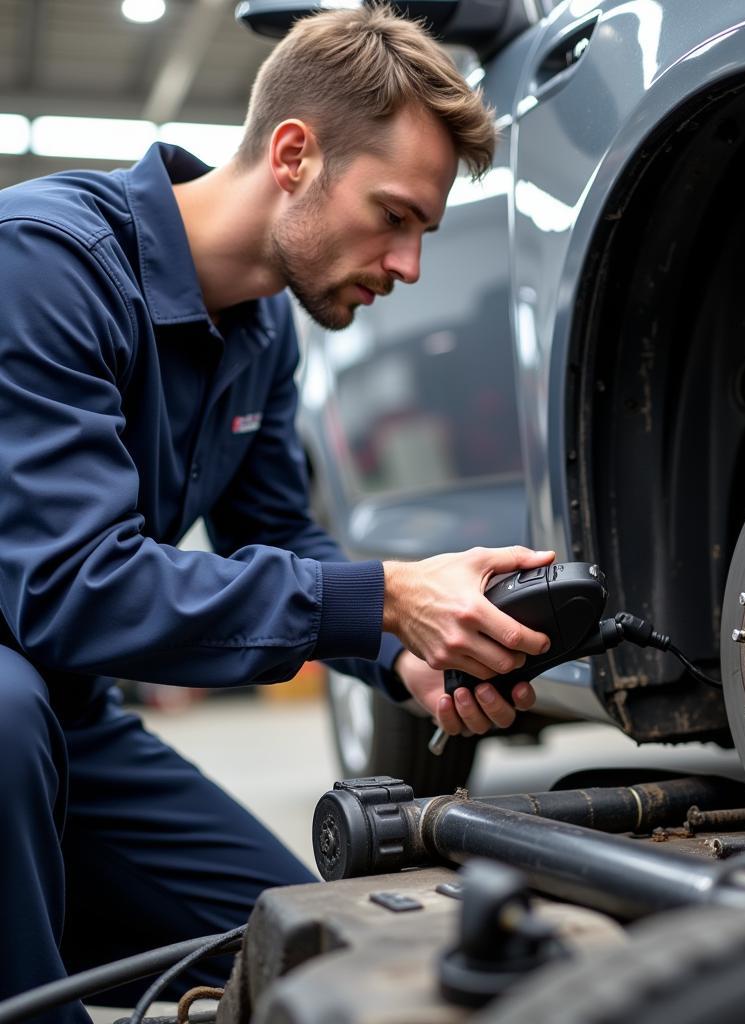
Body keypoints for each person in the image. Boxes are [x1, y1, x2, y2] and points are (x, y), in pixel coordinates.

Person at [0, 8, 553, 1021]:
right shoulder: (45, 265)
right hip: (11, 695)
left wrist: (404, 658)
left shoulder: (262, 332)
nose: (409, 266)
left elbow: (277, 539)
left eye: (424, 232)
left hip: (70, 718)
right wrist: (387, 596)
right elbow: (71, 588)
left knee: (299, 940)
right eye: (393, 216)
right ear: (294, 154)